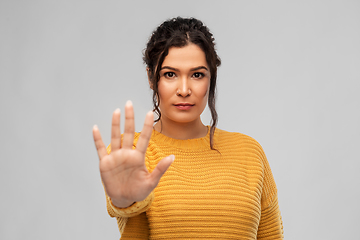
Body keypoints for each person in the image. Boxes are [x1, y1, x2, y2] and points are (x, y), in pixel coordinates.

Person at [93, 17, 284, 239]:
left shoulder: (250, 153)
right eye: (170, 74)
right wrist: (124, 200)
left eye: (197, 75)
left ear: (211, 78)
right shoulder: (131, 151)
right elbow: (123, 205)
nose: (184, 89)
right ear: (151, 78)